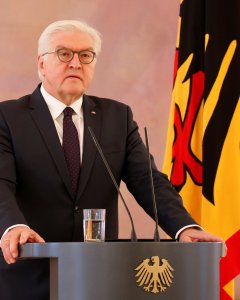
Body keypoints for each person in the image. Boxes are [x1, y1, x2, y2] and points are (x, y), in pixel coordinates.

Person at [0, 20, 222, 300]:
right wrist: (13, 226)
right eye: (64, 54)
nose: (76, 64)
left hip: (100, 276)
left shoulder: (117, 117)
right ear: (42, 63)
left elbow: (148, 181)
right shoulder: (8, 117)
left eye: (85, 55)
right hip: (29, 273)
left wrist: (184, 227)